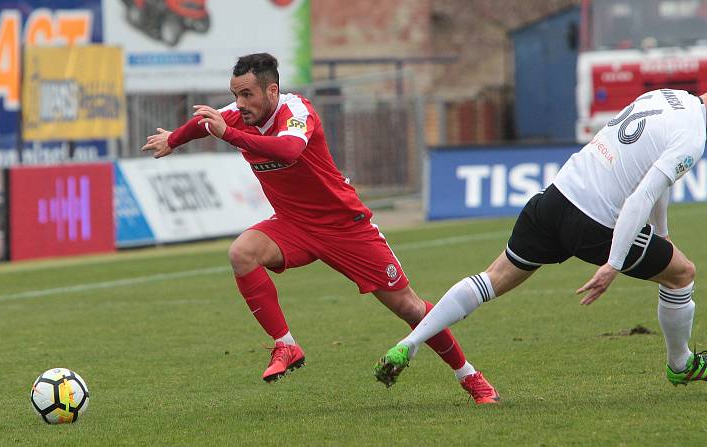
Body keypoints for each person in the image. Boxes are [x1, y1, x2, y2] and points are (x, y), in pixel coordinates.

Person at [141, 53, 499, 404]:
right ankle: (287, 345)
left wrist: (229, 135)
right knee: (242, 253)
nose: (239, 103)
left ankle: (470, 376)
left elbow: (289, 150)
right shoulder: (238, 115)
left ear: (272, 91)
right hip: (293, 225)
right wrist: (173, 140)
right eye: (236, 95)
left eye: (247, 94)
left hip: (345, 227)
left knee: (409, 307)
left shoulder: (298, 112)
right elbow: (209, 121)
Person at [375, 81, 707, 392]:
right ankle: (680, 363)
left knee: (491, 280)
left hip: (553, 200)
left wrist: (664, 234)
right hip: (594, 224)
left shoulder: (665, 97)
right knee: (682, 273)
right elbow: (641, 196)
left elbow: (653, 178)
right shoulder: (692, 138)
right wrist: (613, 264)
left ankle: (408, 345)